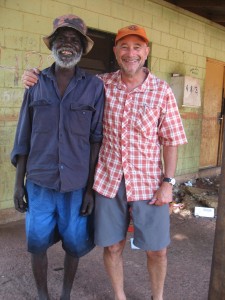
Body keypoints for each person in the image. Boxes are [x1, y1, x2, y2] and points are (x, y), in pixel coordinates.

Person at [22, 24, 187, 300]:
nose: (130, 53)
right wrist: (33, 76)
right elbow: (66, 77)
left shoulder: (162, 90)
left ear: (146, 52)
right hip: (108, 180)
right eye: (124, 46)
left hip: (149, 183)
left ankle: (157, 297)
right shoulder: (100, 84)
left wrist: (168, 183)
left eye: (137, 47)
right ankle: (119, 296)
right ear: (115, 51)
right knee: (112, 247)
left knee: (158, 249)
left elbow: (170, 140)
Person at [11, 14, 105, 300]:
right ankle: (43, 295)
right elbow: (23, 135)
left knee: (75, 244)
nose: (67, 44)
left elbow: (95, 140)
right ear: (52, 45)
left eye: (73, 40)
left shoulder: (94, 87)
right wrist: (18, 182)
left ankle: (65, 294)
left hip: (76, 185)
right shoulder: (36, 84)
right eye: (61, 39)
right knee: (37, 243)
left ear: (81, 48)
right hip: (39, 182)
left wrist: (90, 189)